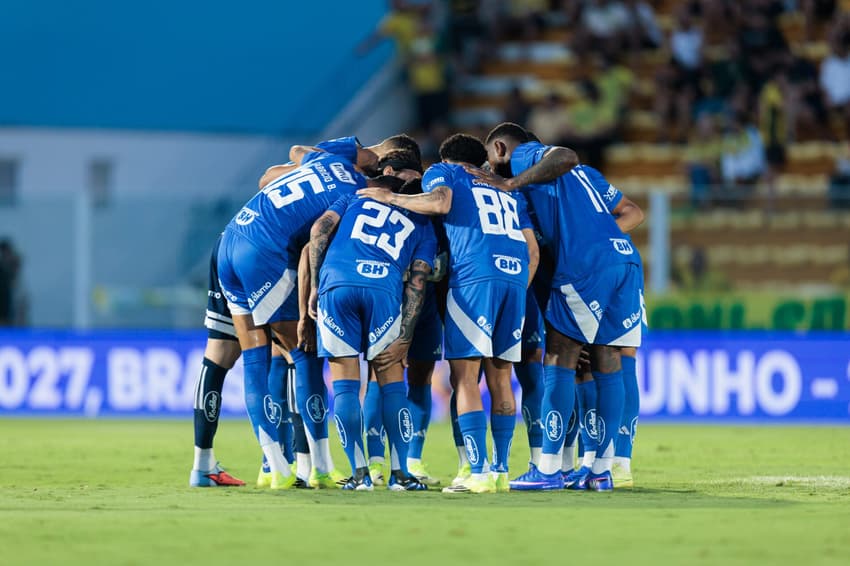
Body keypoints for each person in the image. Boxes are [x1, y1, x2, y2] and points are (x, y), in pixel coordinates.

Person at [359, 133, 539, 494]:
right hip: (516, 281)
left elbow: (441, 203)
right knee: (502, 379)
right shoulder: (505, 187)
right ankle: (501, 470)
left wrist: (390, 196)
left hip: (475, 280)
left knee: (465, 378)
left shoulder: (445, 172)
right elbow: (532, 250)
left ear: (449, 160)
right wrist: (516, 284)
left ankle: (476, 471)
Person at [475, 122, 644, 491]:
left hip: (584, 266)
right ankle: (601, 470)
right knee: (607, 359)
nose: (489, 171)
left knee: (559, 358)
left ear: (501, 148)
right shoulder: (588, 178)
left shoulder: (524, 157)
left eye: (490, 161)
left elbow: (565, 154)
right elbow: (630, 211)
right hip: (624, 258)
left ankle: (549, 468)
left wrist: (509, 183)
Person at [217, 139, 379, 490]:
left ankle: (275, 466)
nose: (368, 148)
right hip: (264, 251)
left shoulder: (324, 159)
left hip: (231, 240)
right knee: (303, 352)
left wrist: (294, 169)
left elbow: (293, 153)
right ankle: (318, 465)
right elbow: (316, 240)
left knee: (256, 360)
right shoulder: (360, 191)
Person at [309, 176, 435, 491]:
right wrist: (405, 336)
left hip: (337, 284)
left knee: (346, 387)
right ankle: (400, 474)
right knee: (393, 385)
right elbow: (417, 280)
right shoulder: (424, 223)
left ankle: (359, 474)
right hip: (382, 289)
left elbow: (319, 230)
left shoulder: (355, 197)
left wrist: (314, 285)